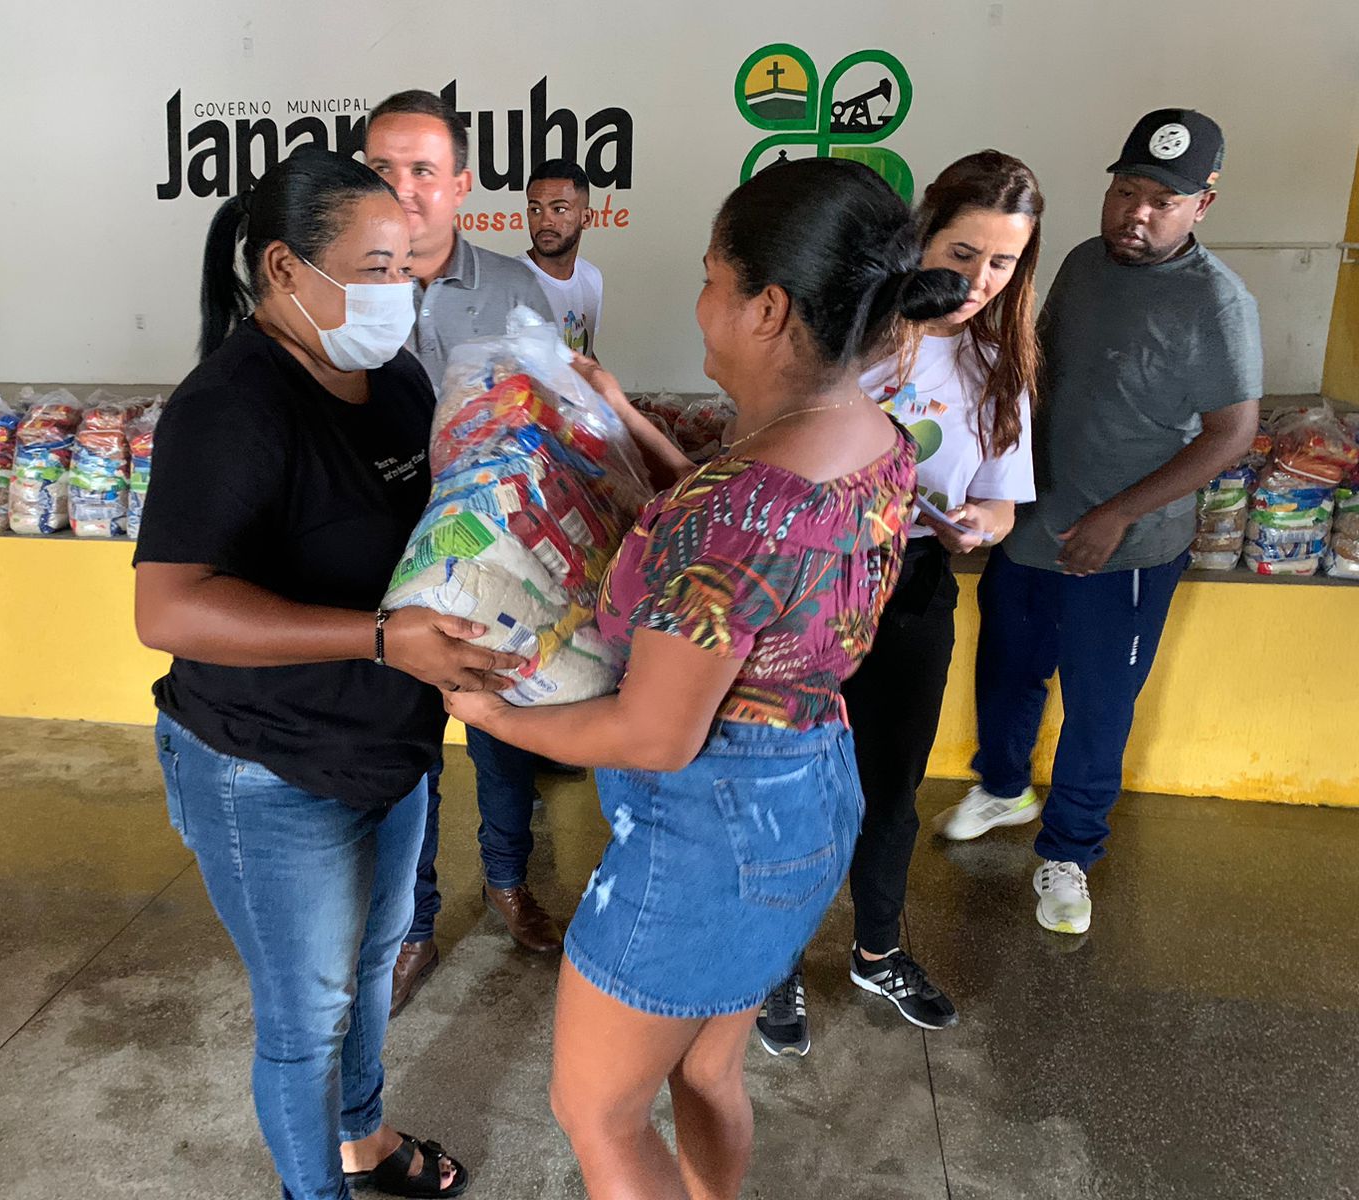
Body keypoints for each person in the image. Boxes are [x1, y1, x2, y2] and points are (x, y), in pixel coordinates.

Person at [444, 158, 969, 1200]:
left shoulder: (735, 504)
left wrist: (490, 713)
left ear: (767, 308)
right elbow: (750, 543)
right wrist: (621, 419)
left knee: (596, 1111)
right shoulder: (868, 436)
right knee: (704, 1068)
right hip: (809, 793)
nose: (701, 303)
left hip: (706, 835)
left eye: (710, 280)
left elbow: (653, 734)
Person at [134, 149, 526, 1200]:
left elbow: (433, 526)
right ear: (284, 269)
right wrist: (378, 639)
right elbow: (167, 608)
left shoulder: (393, 377)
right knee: (306, 1017)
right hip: (269, 764)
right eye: (375, 269)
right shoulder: (230, 407)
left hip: (390, 744)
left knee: (372, 966)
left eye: (408, 269)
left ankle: (361, 1137)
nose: (400, 294)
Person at [937, 109, 1262, 936]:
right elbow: (1036, 373)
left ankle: (1070, 852)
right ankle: (1003, 789)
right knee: (1006, 672)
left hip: (1126, 550)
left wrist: (1117, 515)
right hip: (1033, 522)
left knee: (1099, 703)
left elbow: (1232, 434)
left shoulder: (1217, 304)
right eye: (1126, 192)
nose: (1136, 215)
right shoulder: (1083, 262)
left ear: (1203, 205)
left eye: (1163, 201)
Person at [754, 150, 1045, 1052]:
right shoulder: (856, 331)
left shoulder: (1001, 361)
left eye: (1001, 264)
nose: (978, 281)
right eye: (961, 254)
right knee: (793, 780)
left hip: (915, 587)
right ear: (921, 236)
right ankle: (773, 966)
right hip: (813, 584)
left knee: (893, 786)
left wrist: (981, 526)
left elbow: (1002, 499)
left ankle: (877, 950)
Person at [364, 89, 571, 1013]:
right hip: (379, 561)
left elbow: (549, 418)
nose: (402, 189)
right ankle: (412, 927)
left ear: (460, 184)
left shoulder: (515, 290)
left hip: (492, 564)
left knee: (500, 739)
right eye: (381, 169)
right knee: (402, 752)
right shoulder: (343, 284)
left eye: (422, 169)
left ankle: (508, 882)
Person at [523, 158, 605, 356]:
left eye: (559, 209)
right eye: (536, 210)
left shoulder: (591, 277)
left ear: (586, 218)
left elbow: (584, 354)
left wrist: (599, 375)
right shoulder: (511, 283)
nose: (545, 221)